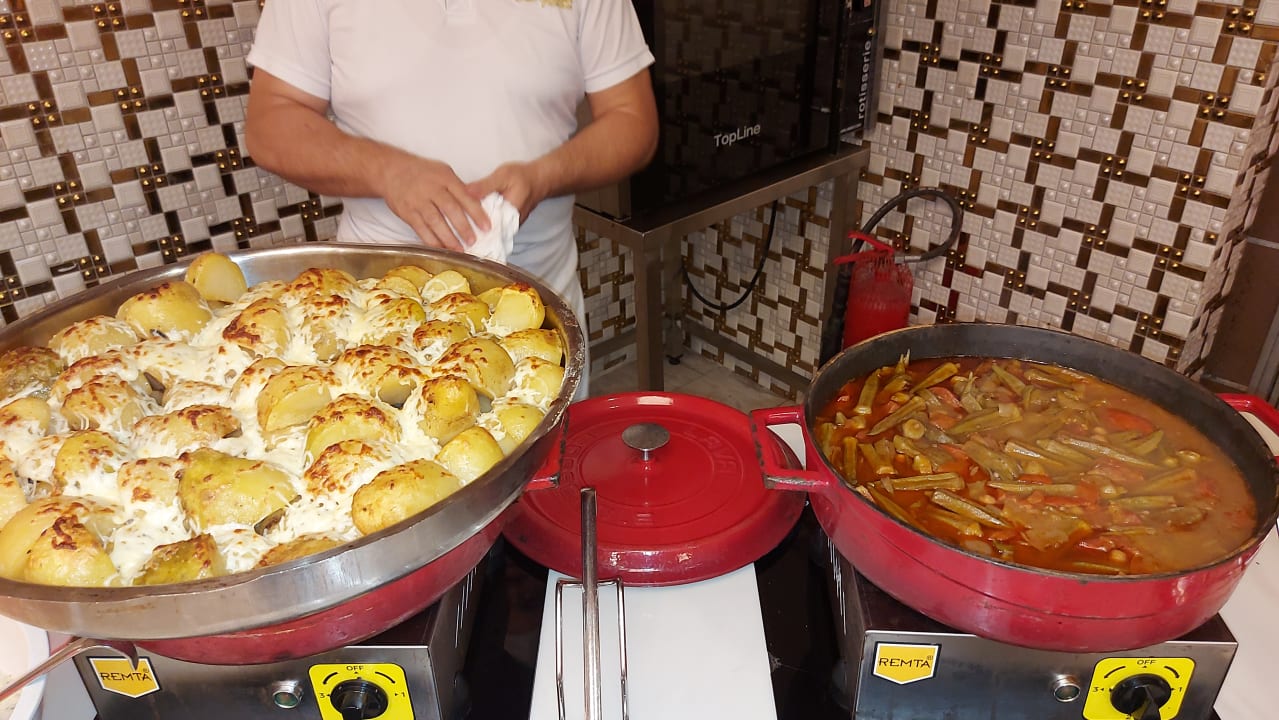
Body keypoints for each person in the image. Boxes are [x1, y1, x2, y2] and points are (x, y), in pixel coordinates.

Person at [243, 0, 660, 396]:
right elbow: (270, 122)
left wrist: (545, 176)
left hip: (539, 313)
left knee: (552, 447)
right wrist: (386, 171)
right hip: (374, 321)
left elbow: (632, 120)